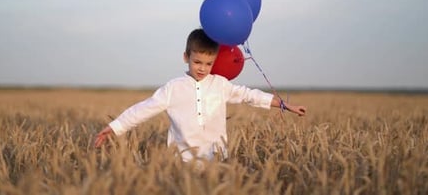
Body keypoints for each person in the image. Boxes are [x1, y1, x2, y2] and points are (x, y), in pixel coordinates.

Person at [94, 28, 306, 162]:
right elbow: (142, 110)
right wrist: (114, 128)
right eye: (197, 62)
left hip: (218, 161)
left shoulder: (221, 84)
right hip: (181, 163)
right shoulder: (173, 88)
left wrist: (284, 105)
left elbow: (250, 96)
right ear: (186, 57)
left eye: (208, 63)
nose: (203, 68)